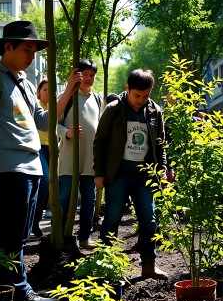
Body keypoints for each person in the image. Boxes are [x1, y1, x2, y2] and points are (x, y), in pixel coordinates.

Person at [0, 21, 80, 301]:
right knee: (11, 234)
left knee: (17, 233)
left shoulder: (27, 84)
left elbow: (43, 121)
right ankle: (18, 292)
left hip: (32, 167)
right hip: (8, 168)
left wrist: (68, 90)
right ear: (8, 47)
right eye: (27, 49)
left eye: (34, 50)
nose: (32, 55)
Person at [93, 68, 168, 278]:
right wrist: (99, 172)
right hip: (117, 176)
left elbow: (161, 145)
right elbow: (99, 142)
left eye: (146, 96)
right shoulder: (113, 109)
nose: (141, 100)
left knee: (149, 220)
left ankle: (149, 265)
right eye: (137, 95)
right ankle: (105, 266)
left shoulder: (155, 112)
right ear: (127, 89)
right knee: (112, 218)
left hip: (145, 177)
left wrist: (161, 169)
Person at [58, 58, 102, 249]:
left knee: (88, 199)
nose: (88, 78)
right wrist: (66, 133)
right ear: (77, 75)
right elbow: (52, 123)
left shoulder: (98, 99)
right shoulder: (66, 96)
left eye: (92, 75)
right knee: (65, 197)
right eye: (85, 74)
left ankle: (85, 237)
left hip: (90, 161)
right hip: (69, 159)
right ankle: (62, 234)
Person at [29, 78, 50, 239]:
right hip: (39, 148)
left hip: (54, 150)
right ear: (39, 92)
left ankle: (35, 222)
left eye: (52, 90)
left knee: (48, 188)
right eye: (45, 89)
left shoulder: (56, 108)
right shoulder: (35, 106)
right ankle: (32, 222)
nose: (48, 93)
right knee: (43, 182)